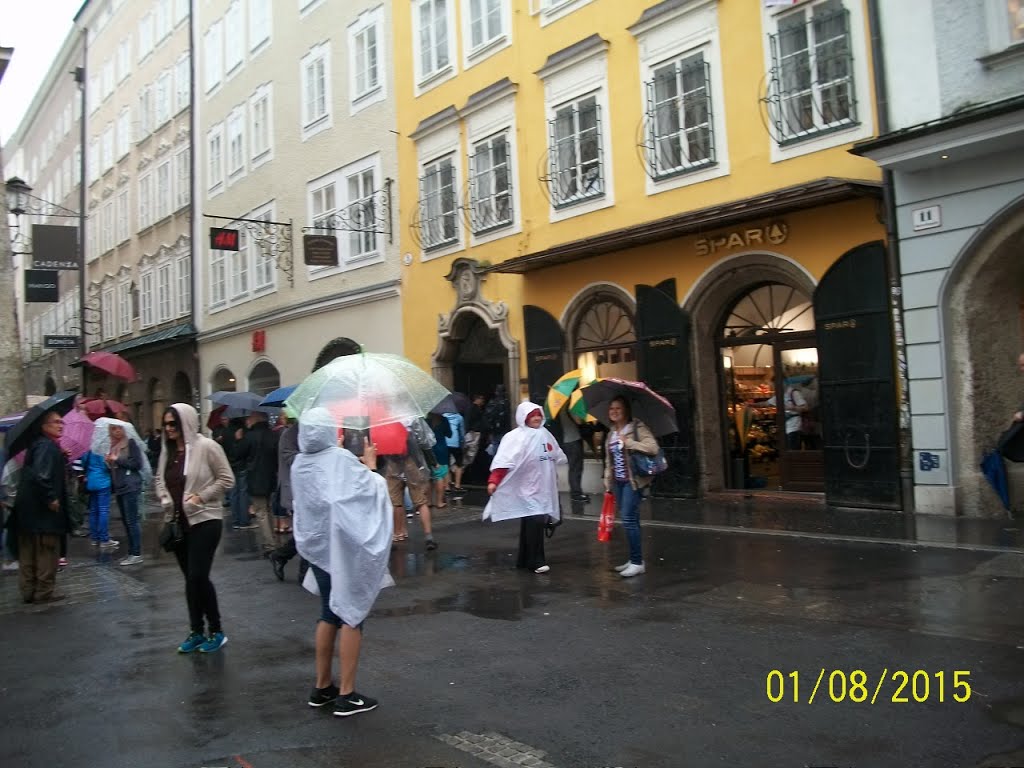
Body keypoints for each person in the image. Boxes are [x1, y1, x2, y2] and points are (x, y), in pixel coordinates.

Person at [292, 408, 393, 717]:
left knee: (328, 612)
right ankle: (347, 694)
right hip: (344, 551)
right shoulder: (339, 459)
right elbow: (367, 491)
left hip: (318, 548)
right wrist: (372, 466)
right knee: (351, 614)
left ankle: (322, 687)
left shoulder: (300, 463)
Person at [155, 403, 234, 654]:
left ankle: (217, 630)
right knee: (190, 580)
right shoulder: (168, 451)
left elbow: (227, 479)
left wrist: (200, 496)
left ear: (186, 422)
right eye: (166, 424)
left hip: (206, 520)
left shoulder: (207, 447)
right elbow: (159, 478)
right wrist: (164, 496)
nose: (169, 429)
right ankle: (196, 631)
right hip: (178, 523)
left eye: (173, 424)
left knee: (198, 576)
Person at [484, 401, 567, 574]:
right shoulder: (516, 437)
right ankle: (536, 560)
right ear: (524, 418)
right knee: (535, 521)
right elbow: (504, 461)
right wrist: (494, 480)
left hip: (542, 487)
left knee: (531, 521)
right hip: (526, 488)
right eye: (532, 415)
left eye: (538, 414)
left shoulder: (545, 434)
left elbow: (556, 454)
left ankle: (524, 559)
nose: (536, 418)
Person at [12, 409, 71, 603]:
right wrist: (51, 498)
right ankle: (44, 592)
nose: (61, 425)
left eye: (62, 422)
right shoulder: (46, 446)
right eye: (56, 422)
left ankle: (28, 591)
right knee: (46, 551)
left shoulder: (38, 445)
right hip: (43, 513)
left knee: (28, 552)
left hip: (27, 512)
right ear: (44, 426)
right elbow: (42, 475)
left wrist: (60, 456)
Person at [603, 396, 660, 578]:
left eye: (618, 408)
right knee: (631, 520)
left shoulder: (637, 427)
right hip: (618, 482)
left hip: (633, 481)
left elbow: (653, 448)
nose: (614, 411)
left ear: (626, 410)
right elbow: (608, 459)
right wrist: (607, 479)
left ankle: (637, 562)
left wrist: (629, 443)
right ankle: (635, 559)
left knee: (628, 519)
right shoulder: (611, 432)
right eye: (611, 408)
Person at [375, 418, 438, 550]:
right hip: (412, 462)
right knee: (421, 501)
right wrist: (432, 460)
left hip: (391, 462)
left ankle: (397, 534)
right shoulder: (413, 418)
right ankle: (429, 537)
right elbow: (425, 441)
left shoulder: (384, 417)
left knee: (395, 501)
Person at [98, 417, 150, 567]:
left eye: (119, 428)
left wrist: (117, 460)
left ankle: (136, 553)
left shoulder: (131, 442)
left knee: (132, 521)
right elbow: (115, 468)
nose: (117, 431)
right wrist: (109, 462)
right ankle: (131, 551)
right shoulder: (113, 446)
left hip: (131, 485)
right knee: (126, 521)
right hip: (120, 486)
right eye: (113, 429)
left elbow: (137, 464)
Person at [269, 413, 304, 582]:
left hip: (307, 489)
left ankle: (281, 555)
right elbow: (290, 458)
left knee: (307, 532)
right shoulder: (289, 434)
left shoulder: (303, 431)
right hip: (296, 490)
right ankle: (303, 572)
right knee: (306, 532)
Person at [240, 410, 280, 554]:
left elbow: (239, 454)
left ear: (256, 418)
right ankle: (273, 540)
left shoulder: (249, 436)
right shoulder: (273, 434)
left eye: (250, 417)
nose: (248, 420)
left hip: (255, 477)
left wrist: (239, 439)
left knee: (261, 511)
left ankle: (270, 544)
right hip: (270, 476)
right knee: (268, 509)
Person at [82, 446, 118, 550]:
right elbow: (106, 466)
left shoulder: (87, 449)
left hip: (91, 481)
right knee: (103, 510)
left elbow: (84, 463)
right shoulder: (103, 449)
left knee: (93, 511)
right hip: (103, 482)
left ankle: (94, 537)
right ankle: (104, 539)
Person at [559, 409, 588, 503]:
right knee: (576, 468)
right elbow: (578, 421)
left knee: (573, 468)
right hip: (573, 439)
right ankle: (576, 493)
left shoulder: (558, 407)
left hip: (566, 440)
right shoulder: (570, 407)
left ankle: (576, 492)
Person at [428, 413, 451, 509]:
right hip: (441, 449)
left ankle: (429, 501)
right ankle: (439, 501)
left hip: (429, 449)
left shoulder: (427, 420)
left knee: (429, 476)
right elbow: (449, 434)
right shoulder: (444, 420)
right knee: (440, 475)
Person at [483, 385, 511, 456]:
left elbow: (487, 416)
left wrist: (489, 429)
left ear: (496, 392)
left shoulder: (492, 402)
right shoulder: (506, 402)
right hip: (504, 430)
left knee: (495, 448)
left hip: (494, 430)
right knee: (505, 449)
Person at [443, 410, 465, 495]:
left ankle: (447, 487)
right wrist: (462, 442)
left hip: (445, 442)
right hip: (456, 443)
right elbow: (462, 432)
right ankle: (457, 485)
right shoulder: (459, 417)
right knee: (459, 463)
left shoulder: (443, 416)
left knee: (446, 464)